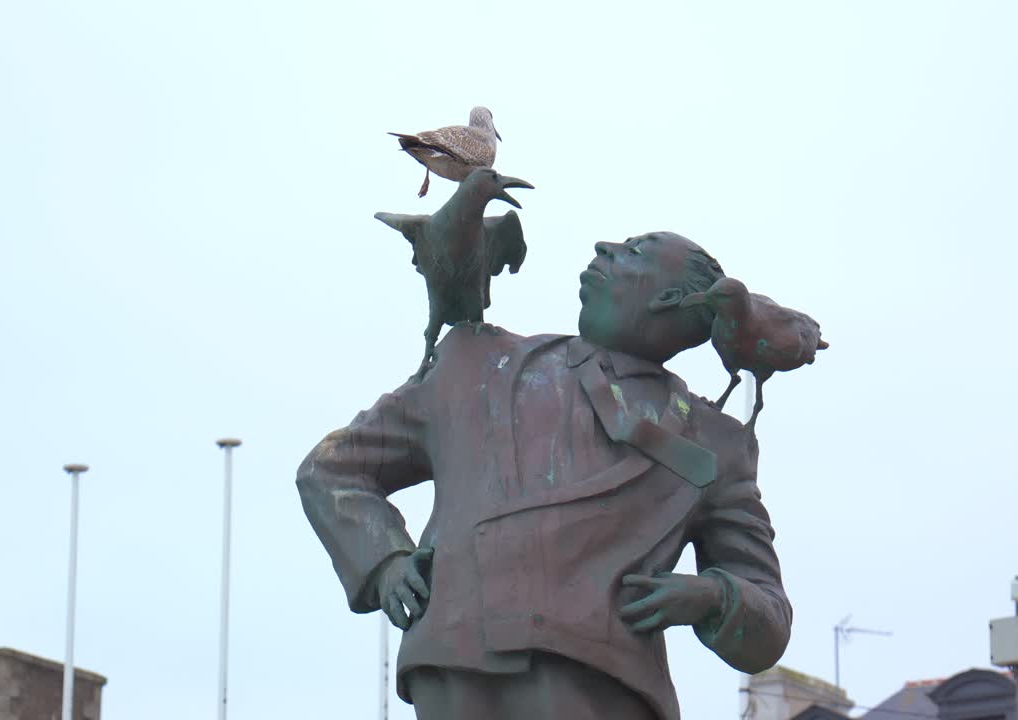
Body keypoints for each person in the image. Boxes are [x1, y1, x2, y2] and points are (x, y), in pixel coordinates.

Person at [297, 231, 792, 720]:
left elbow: (768, 615)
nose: (603, 247)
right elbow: (334, 468)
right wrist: (386, 561)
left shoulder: (717, 442)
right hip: (457, 656)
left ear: (669, 298)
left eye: (634, 252)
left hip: (604, 683)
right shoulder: (474, 362)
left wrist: (712, 596)